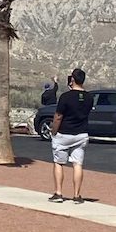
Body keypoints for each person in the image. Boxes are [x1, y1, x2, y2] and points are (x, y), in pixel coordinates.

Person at [49, 68, 94, 204]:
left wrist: (54, 131)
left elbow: (58, 116)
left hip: (64, 134)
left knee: (58, 163)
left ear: (72, 79)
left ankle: (58, 193)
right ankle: (77, 195)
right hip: (81, 134)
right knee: (77, 164)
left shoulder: (65, 97)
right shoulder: (89, 97)